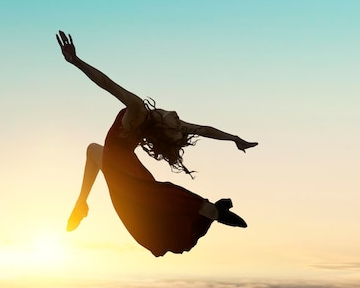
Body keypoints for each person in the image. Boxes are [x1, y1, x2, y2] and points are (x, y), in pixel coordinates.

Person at [56, 30, 258, 257]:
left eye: (175, 118)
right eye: (176, 118)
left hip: (122, 169)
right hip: (124, 167)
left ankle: (213, 212)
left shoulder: (138, 109)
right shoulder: (145, 117)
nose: (175, 114)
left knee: (163, 197)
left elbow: (106, 83)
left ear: (164, 127)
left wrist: (76, 61)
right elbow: (204, 129)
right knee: (93, 151)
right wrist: (234, 139)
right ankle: (81, 205)